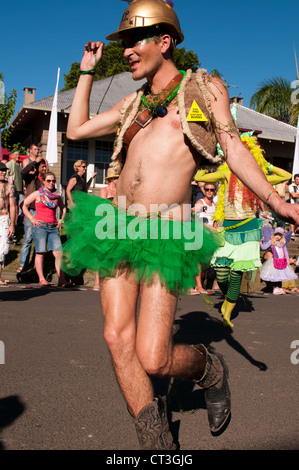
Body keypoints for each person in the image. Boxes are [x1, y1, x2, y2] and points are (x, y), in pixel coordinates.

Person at [62, 0, 299, 449]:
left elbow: (232, 146)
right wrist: (86, 72)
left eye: (135, 40)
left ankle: (208, 368)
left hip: (164, 232)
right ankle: (158, 447)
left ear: (164, 41)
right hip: (115, 227)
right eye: (125, 42)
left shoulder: (203, 90)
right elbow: (76, 130)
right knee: (117, 338)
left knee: (153, 357)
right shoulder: (133, 103)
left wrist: (275, 201)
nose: (127, 50)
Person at [195, 133, 292, 327]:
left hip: (248, 229)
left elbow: (286, 176)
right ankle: (229, 298)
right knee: (221, 272)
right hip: (228, 228)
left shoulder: (257, 176)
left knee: (237, 272)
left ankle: (228, 311)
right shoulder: (225, 173)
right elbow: (199, 176)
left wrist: (266, 166)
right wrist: (218, 164)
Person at [22, 172, 68, 286]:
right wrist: (32, 218)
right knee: (40, 252)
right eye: (48, 180)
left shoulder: (57, 197)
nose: (51, 183)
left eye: (53, 181)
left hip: (53, 227)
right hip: (40, 226)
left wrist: (61, 220)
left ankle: (62, 280)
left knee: (59, 254)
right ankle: (42, 279)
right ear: (43, 181)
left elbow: (64, 208)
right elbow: (24, 205)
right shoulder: (38, 194)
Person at [66, 160, 98, 289]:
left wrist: (91, 179)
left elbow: (85, 190)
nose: (85, 168)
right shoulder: (74, 178)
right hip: (76, 210)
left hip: (82, 210)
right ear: (77, 167)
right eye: (83, 167)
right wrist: (71, 203)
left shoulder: (82, 178)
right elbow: (68, 190)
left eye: (85, 167)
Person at [17, 159, 47, 273]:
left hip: (42, 212)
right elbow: (23, 172)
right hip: (31, 211)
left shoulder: (46, 181)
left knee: (40, 240)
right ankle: (23, 265)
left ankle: (36, 266)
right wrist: (34, 162)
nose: (44, 169)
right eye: (42, 166)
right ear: (37, 167)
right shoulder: (31, 178)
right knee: (28, 238)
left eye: (45, 167)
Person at [260, 226, 298, 295]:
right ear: (273, 235)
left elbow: (285, 252)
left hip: (282, 261)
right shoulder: (271, 242)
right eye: (276, 235)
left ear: (282, 236)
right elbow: (264, 247)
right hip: (274, 261)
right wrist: (261, 242)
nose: (277, 237)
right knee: (275, 274)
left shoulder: (282, 243)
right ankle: (275, 288)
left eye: (279, 235)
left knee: (281, 275)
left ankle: (279, 287)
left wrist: (287, 260)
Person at [0, 161, 16, 284]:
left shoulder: (9, 186)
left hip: (4, 219)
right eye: (0, 170)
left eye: (4, 170)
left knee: (2, 249)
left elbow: (12, 206)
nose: (3, 172)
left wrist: (12, 224)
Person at [6, 149, 24, 226]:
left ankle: (19, 223)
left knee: (22, 206)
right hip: (13, 190)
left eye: (18, 154)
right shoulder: (9, 164)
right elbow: (6, 175)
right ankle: (10, 222)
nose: (18, 156)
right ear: (12, 156)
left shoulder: (20, 164)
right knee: (12, 206)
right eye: (16, 154)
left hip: (21, 189)